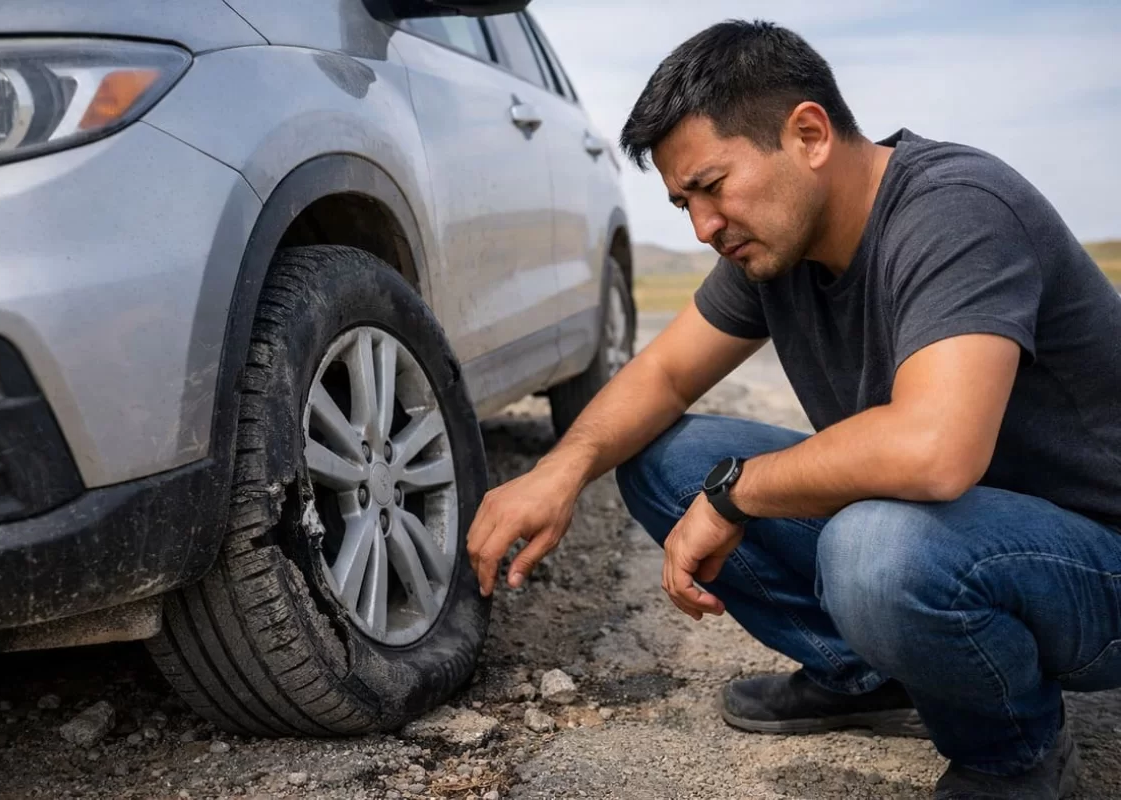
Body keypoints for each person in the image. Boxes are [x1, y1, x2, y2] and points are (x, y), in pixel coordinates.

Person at [466, 18, 1121, 800]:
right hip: (974, 536)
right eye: (683, 205)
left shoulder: (956, 210)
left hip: (1097, 565)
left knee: (873, 550)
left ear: (808, 133)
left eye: (711, 187)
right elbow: (665, 375)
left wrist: (734, 493)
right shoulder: (777, 245)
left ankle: (1010, 754)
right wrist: (560, 470)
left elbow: (934, 450)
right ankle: (872, 673)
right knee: (656, 454)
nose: (704, 227)